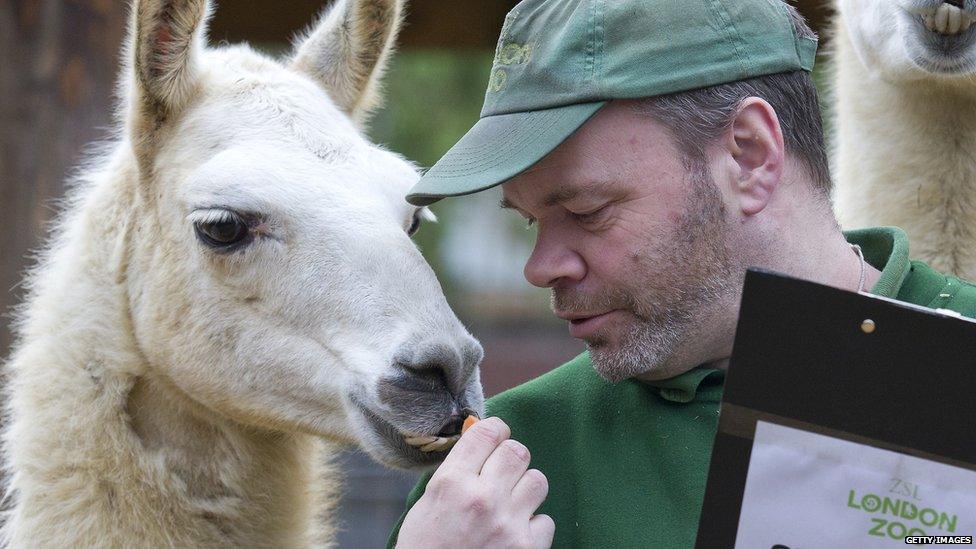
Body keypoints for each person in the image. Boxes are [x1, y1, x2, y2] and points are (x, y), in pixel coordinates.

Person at [388, 0, 976, 547]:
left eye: (587, 211)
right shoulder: (499, 480)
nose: (540, 268)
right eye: (529, 221)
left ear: (749, 155)